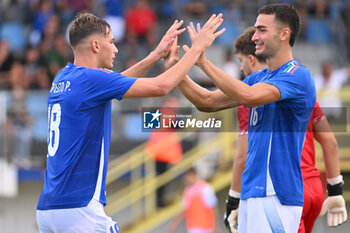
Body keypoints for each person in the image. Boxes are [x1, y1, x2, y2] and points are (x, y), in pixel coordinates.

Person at [36, 12, 225, 233]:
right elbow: (160, 87)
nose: (116, 49)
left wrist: (155, 55)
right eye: (112, 42)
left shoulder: (63, 78)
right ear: (96, 45)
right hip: (79, 208)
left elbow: (115, 84)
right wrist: (196, 50)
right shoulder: (91, 80)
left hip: (47, 208)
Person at [167, 4, 318, 232]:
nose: (255, 36)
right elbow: (206, 102)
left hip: (276, 194)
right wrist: (176, 71)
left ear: (285, 34)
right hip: (252, 192)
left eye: (262, 30)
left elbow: (248, 97)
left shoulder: (297, 75)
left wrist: (203, 61)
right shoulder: (257, 78)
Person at [216, 27, 346, 233]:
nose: (241, 68)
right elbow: (330, 142)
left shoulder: (248, 99)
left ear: (251, 59)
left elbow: (242, 157)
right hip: (312, 185)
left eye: (241, 61)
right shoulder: (300, 86)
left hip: (283, 189)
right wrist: (335, 189)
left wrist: (233, 199)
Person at [166, 167, 219, 233]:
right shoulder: (187, 191)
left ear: (194, 175)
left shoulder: (205, 188)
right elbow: (184, 210)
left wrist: (215, 227)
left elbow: (213, 207)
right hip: (193, 228)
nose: (186, 178)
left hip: (206, 228)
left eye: (188, 176)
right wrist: (173, 225)